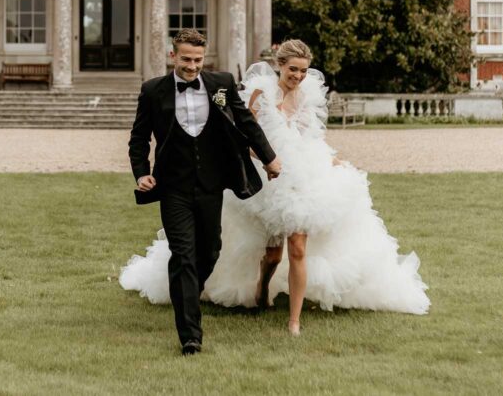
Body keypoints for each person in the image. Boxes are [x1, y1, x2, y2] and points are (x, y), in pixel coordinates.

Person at [121, 39, 429, 337]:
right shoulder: (247, 93)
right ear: (279, 66)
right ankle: (239, 300)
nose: (297, 76)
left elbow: (303, 135)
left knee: (290, 247)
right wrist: (267, 160)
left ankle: (293, 321)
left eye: (303, 71)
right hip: (257, 181)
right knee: (265, 255)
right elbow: (244, 132)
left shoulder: (291, 93)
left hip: (304, 177)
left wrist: (328, 160)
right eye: (292, 69)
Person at [126, 28, 281, 355]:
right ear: (173, 56)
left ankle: (186, 290)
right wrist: (141, 174)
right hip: (173, 187)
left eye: (197, 60)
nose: (192, 66)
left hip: (211, 185)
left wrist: (269, 158)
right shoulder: (153, 91)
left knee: (209, 250)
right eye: (186, 59)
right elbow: (139, 139)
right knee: (183, 255)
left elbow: (246, 123)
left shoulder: (220, 84)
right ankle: (190, 336)